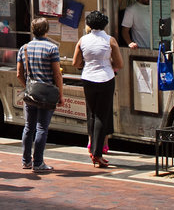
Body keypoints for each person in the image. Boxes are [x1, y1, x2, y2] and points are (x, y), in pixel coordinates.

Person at [72, 11, 123, 168]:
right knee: (102, 115)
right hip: (106, 78)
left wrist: (87, 64)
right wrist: (107, 64)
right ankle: (97, 153)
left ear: (89, 24)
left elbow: (76, 63)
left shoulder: (82, 40)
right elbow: (119, 64)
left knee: (92, 114)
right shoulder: (110, 40)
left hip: (88, 78)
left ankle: (92, 148)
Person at [17, 18, 64, 172]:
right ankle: (38, 163)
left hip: (31, 94)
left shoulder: (24, 48)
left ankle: (26, 161)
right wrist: (61, 94)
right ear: (46, 30)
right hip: (47, 94)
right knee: (42, 127)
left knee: (28, 127)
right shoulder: (52, 48)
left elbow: (19, 74)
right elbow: (57, 74)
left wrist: (28, 87)